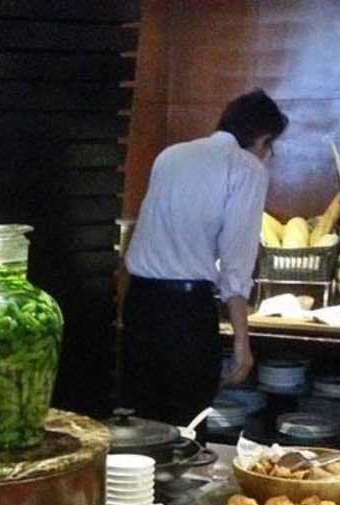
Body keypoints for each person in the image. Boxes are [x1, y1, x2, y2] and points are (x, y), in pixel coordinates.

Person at [120, 89, 287, 426]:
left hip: (138, 302)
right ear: (264, 139)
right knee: (187, 425)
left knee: (141, 422)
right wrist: (242, 343)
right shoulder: (247, 168)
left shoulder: (170, 155)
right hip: (185, 311)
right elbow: (236, 263)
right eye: (271, 147)